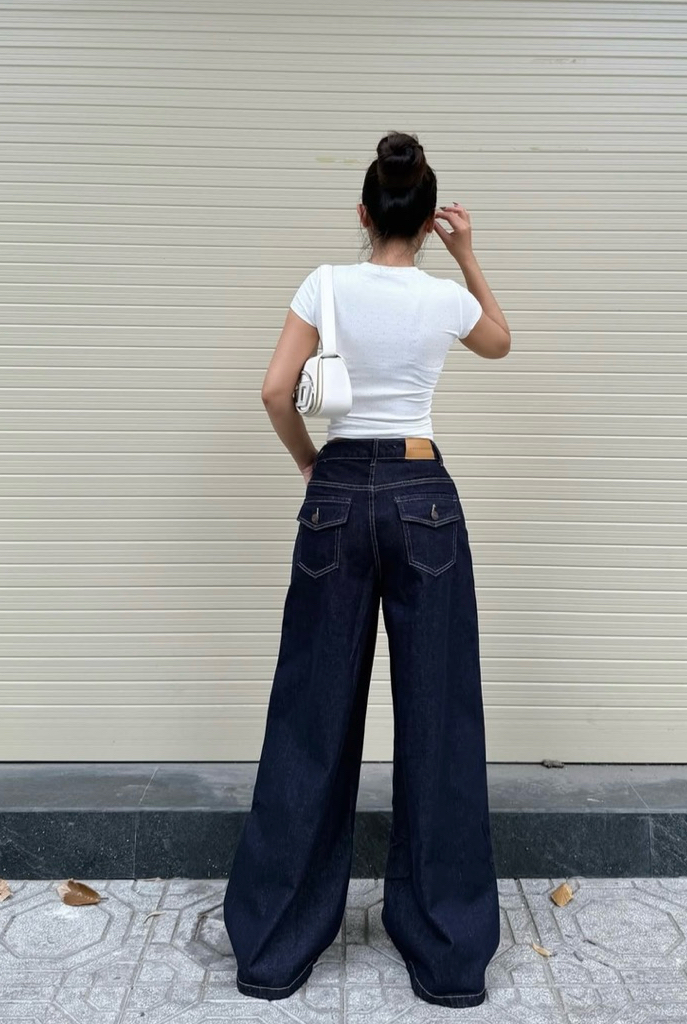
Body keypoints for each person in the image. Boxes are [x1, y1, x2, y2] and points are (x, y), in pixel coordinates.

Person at [223, 131, 512, 1009]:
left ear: (361, 212)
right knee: (440, 721)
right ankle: (449, 957)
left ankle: (274, 949)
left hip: (339, 496)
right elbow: (501, 341)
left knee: (310, 717)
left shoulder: (325, 284)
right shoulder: (443, 297)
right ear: (426, 223)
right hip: (425, 496)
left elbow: (275, 390)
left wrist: (312, 463)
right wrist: (468, 256)